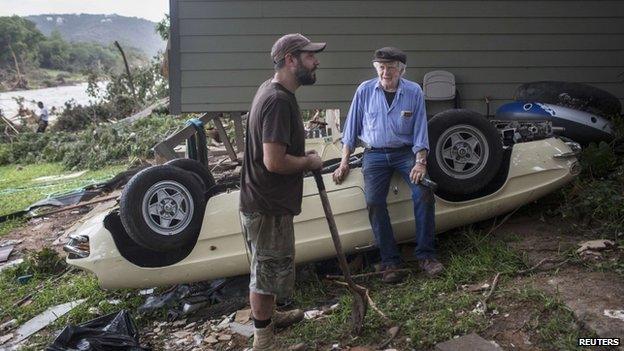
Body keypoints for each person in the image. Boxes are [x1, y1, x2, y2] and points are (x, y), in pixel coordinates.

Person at [239, 33, 325, 350]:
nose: (316, 62)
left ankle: (270, 319)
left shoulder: (273, 90)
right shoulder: (277, 101)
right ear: (291, 60)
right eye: (310, 56)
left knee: (268, 268)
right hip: (267, 205)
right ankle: (263, 341)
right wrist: (309, 162)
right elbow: (274, 161)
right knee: (265, 274)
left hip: (262, 201)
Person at [332, 47, 444, 284]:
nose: (385, 72)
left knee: (424, 193)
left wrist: (420, 162)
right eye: (381, 67)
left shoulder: (413, 91)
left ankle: (426, 256)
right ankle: (390, 261)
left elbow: (420, 131)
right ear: (376, 69)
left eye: (391, 68)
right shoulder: (364, 90)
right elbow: (350, 131)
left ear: (401, 70)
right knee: (373, 201)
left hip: (405, 153)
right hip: (373, 155)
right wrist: (343, 163)